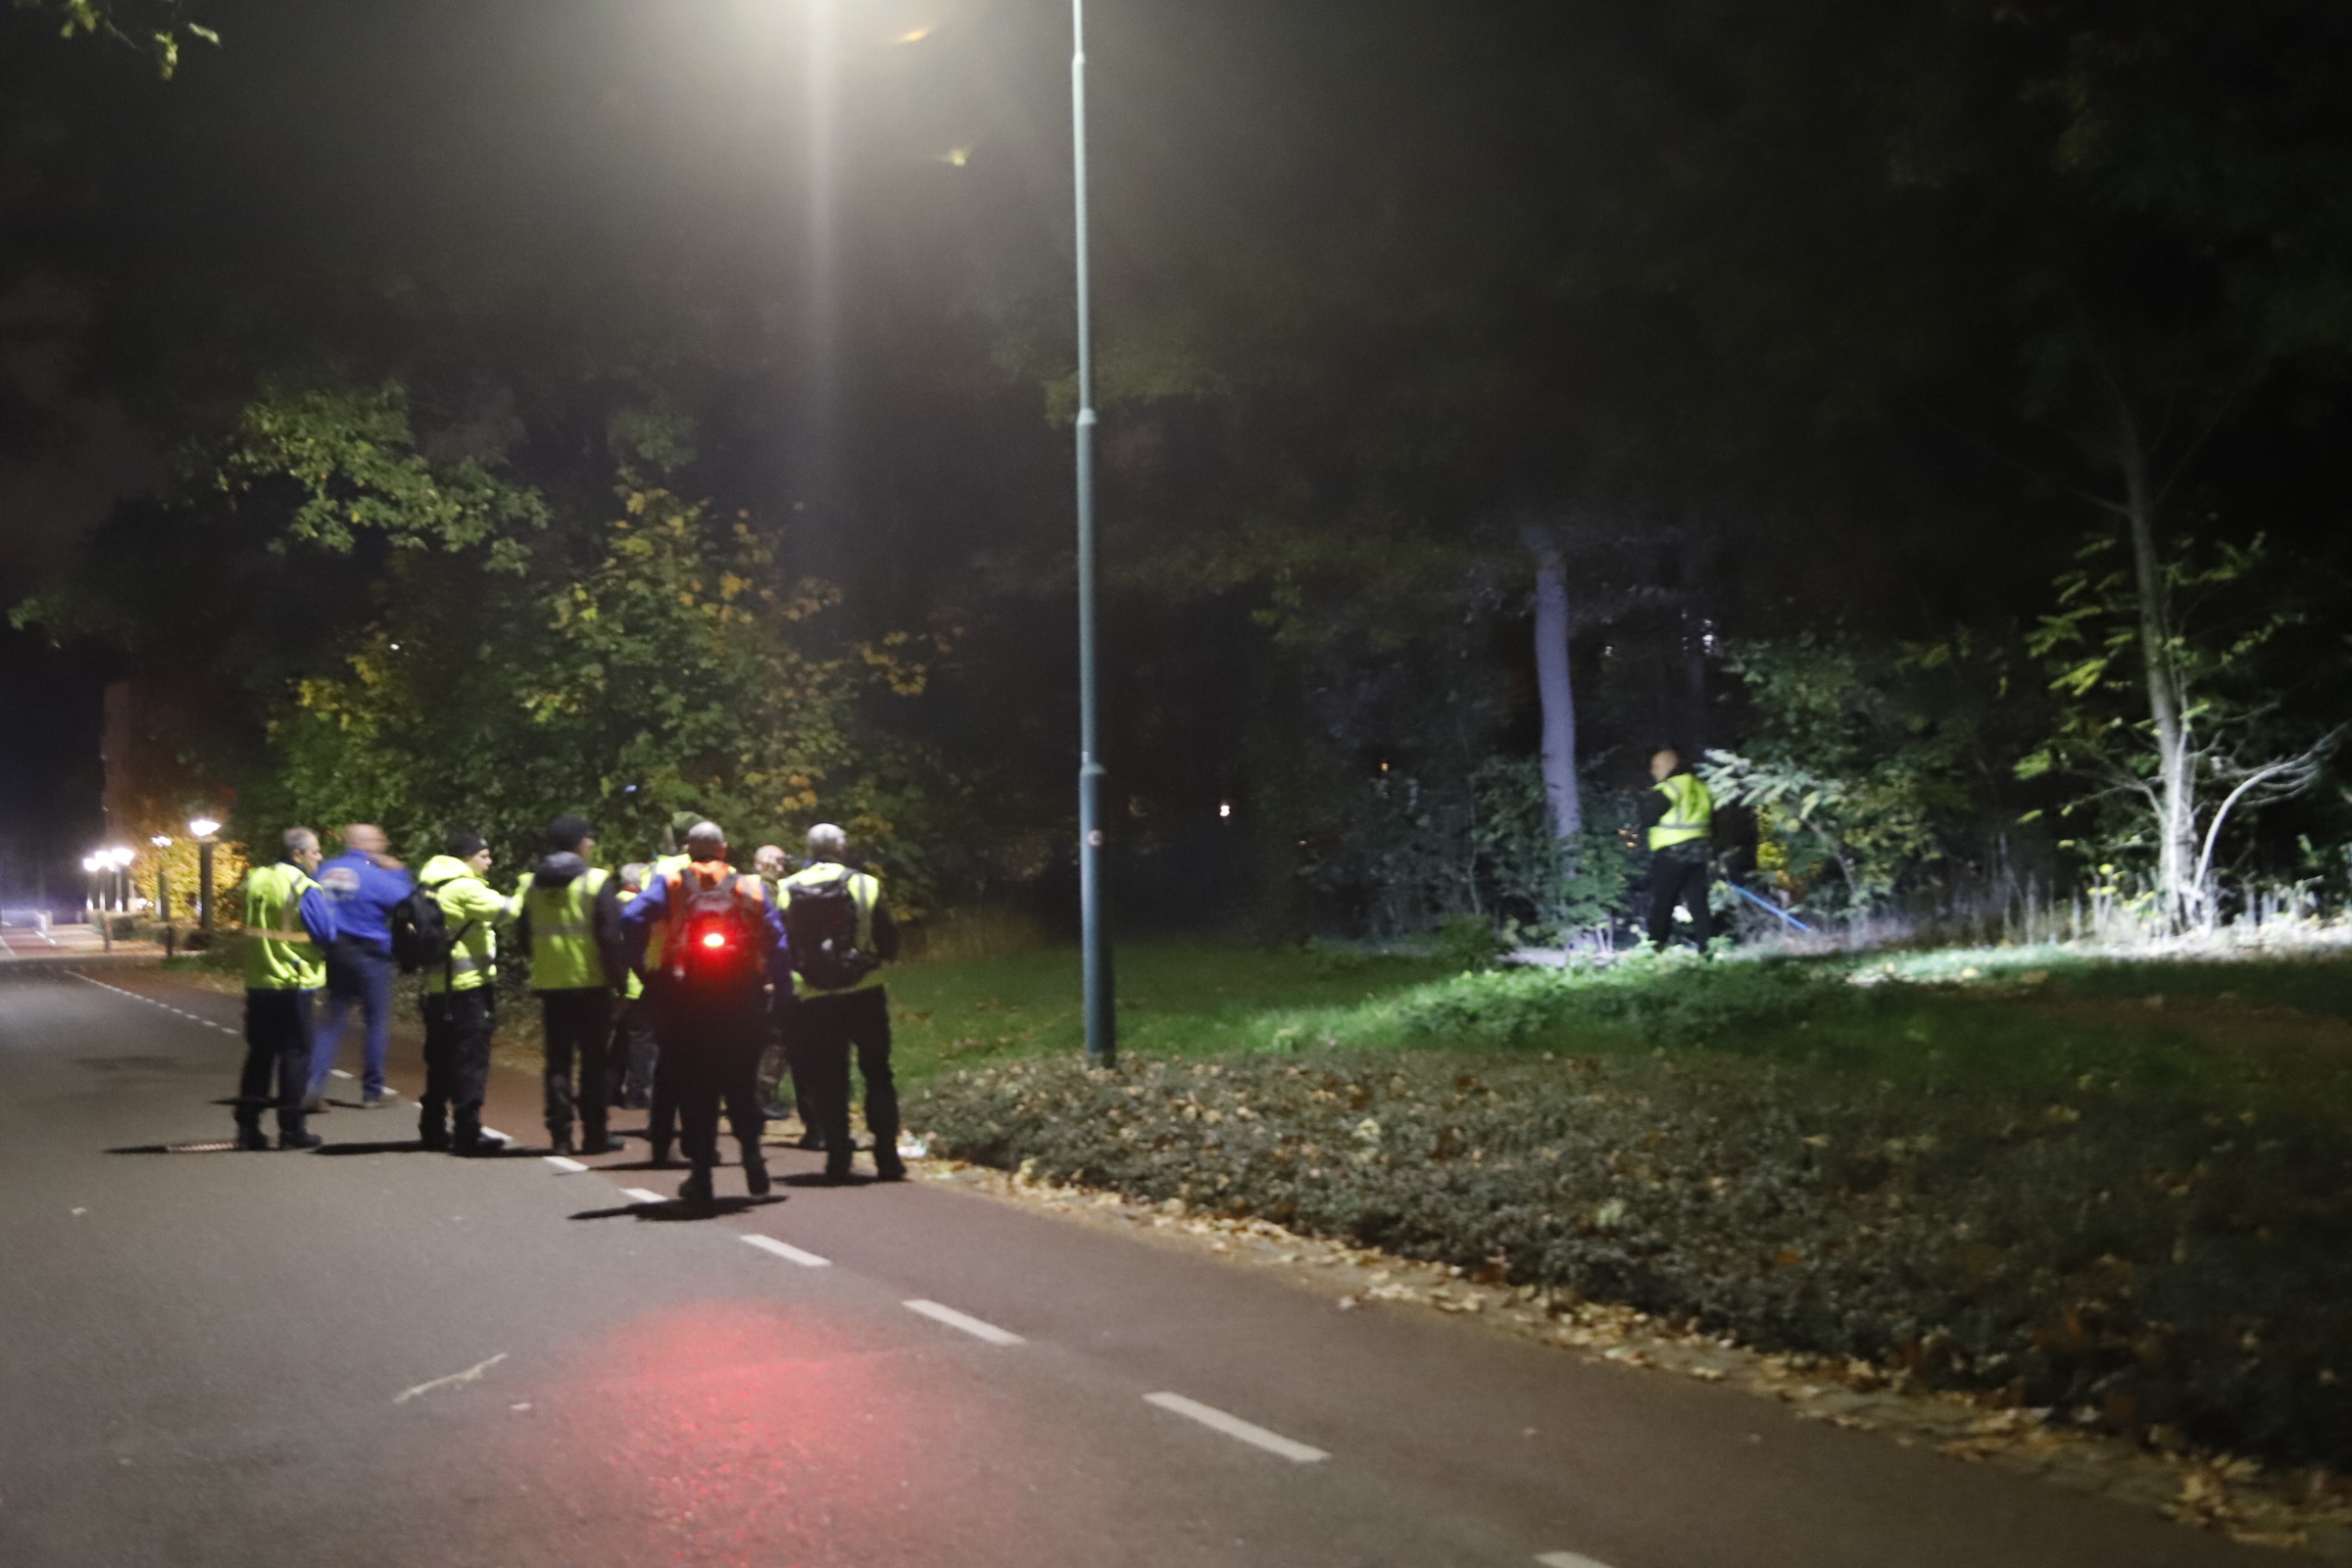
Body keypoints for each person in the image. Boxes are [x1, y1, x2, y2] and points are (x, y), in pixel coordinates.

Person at [620, 821, 791, 1204]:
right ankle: (752, 1156)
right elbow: (778, 940)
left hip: (688, 999)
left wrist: (642, 967)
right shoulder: (749, 886)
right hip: (742, 997)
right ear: (724, 849)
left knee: (698, 1087)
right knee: (741, 1082)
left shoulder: (672, 883)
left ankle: (701, 1176)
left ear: (689, 849)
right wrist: (781, 990)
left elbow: (630, 919)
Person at [778, 822, 904, 1183]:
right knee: (877, 1073)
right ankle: (886, 1155)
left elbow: (782, 944)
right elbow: (889, 941)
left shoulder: (786, 889)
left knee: (829, 1078)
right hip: (864, 991)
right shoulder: (866, 884)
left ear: (810, 849)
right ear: (840, 848)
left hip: (815, 997)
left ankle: (837, 1154)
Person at [512, 814, 628, 1156]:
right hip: (591, 983)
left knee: (558, 1063)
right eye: (588, 838)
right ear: (579, 843)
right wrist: (620, 982)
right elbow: (611, 938)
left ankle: (560, 1136)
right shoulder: (595, 881)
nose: (591, 843)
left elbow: (523, 936)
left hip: (551, 984)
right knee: (594, 1063)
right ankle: (595, 1134)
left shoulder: (532, 884)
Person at [234, 827, 338, 1151]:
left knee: (259, 1057)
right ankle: (292, 1130)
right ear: (297, 854)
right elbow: (325, 933)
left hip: (259, 980)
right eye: (315, 851)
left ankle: (248, 1128)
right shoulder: (303, 887)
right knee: (295, 1056)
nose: (319, 857)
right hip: (293, 983)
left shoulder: (257, 880)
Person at [416, 832, 509, 1155]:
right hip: (468, 989)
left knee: (439, 1060)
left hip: (436, 989)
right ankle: (468, 1133)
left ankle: (432, 1127)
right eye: (484, 855)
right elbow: (507, 911)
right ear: (467, 857)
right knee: (470, 1060)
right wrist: (530, 887)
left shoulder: (428, 884)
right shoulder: (464, 886)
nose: (489, 862)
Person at [307, 822, 411, 1110]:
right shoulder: (374, 874)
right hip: (370, 954)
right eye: (378, 839)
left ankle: (313, 1086)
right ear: (364, 843)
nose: (384, 844)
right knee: (376, 1022)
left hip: (335, 952)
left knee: (332, 1019)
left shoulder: (325, 870)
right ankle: (372, 1092)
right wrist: (399, 871)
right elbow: (405, 900)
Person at [750, 842, 808, 1136]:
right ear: (759, 863)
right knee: (774, 1039)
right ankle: (762, 1097)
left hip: (758, 975)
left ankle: (757, 1096)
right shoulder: (763, 888)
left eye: (783, 861)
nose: (781, 867)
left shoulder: (756, 886)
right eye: (776, 861)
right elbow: (770, 933)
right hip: (766, 976)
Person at [1642, 748, 1716, 951]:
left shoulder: (1670, 788)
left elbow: (1648, 818)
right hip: (1699, 851)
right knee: (1699, 903)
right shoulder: (1701, 787)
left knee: (1663, 903)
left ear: (1669, 766)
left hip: (1671, 852)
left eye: (1656, 766)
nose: (1652, 771)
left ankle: (1656, 948)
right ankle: (1708, 949)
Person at [608, 862, 660, 1114]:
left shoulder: (611, 903)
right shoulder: (640, 909)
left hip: (614, 983)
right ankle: (637, 1092)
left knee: (618, 1039)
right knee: (641, 1041)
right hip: (636, 984)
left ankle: (609, 1088)